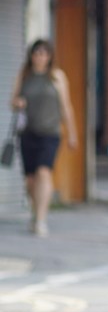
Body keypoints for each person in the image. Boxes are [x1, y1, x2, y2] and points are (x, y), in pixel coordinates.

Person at [10, 39, 78, 237]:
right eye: (36, 53)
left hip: (50, 133)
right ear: (31, 56)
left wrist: (72, 134)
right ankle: (36, 210)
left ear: (49, 56)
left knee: (44, 172)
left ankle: (41, 219)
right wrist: (18, 102)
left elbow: (66, 107)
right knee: (30, 180)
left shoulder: (57, 77)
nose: (40, 57)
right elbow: (12, 101)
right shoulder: (24, 76)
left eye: (43, 53)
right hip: (28, 133)